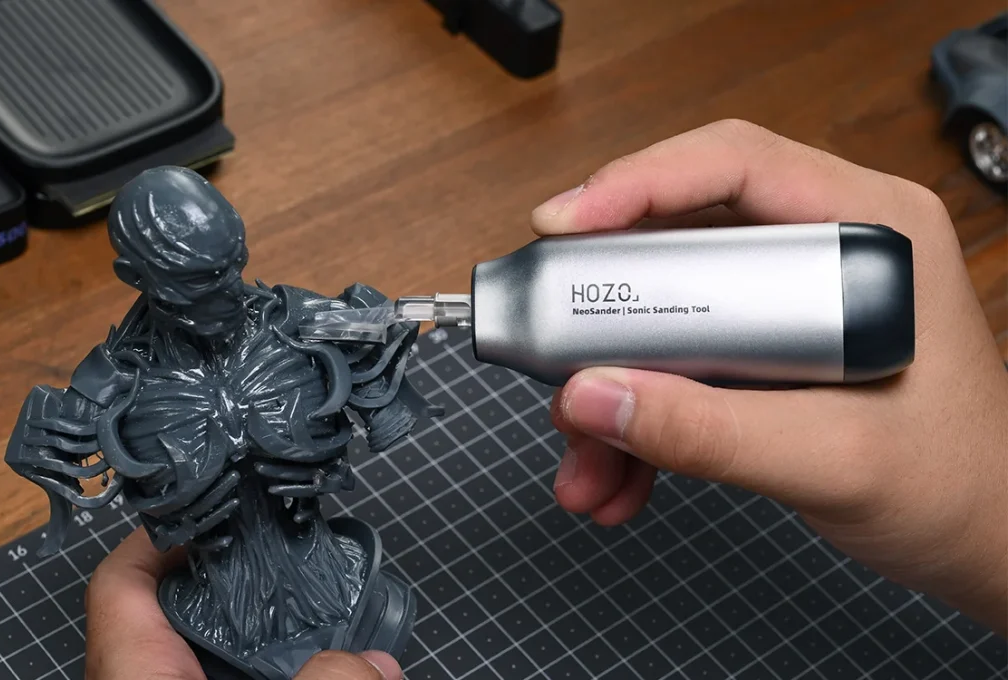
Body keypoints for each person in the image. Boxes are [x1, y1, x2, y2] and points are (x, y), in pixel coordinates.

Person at [81, 120, 1008, 679]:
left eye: (234, 264)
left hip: (323, 565)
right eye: (200, 278)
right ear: (137, 277)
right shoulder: (122, 379)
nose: (232, 289)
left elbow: (365, 394)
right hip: (225, 596)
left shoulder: (288, 322)